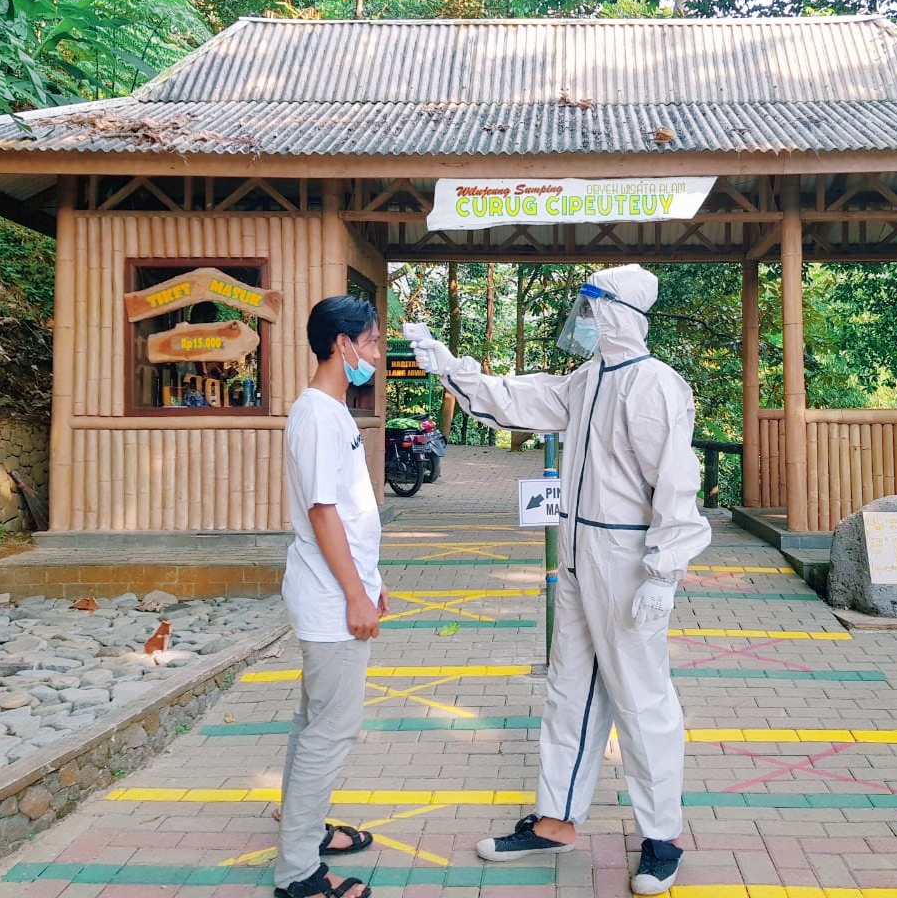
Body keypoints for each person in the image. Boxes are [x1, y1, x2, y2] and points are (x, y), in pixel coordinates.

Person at [411, 264, 711, 895]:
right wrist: (449, 364)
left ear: (615, 312)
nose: (583, 316)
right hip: (578, 552)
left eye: (591, 305)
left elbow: (678, 486)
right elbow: (522, 399)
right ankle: (555, 822)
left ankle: (662, 838)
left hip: (626, 559)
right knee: (568, 690)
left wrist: (664, 572)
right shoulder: (587, 380)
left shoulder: (654, 385)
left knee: (642, 697)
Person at [275, 295, 389, 898]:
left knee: (311, 721)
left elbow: (347, 511)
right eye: (371, 343)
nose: (377, 354)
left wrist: (371, 582)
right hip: (328, 600)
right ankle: (298, 873)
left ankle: (306, 831)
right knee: (330, 731)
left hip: (335, 589)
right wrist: (355, 596)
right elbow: (322, 513)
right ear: (342, 345)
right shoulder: (317, 415)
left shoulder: (331, 411)